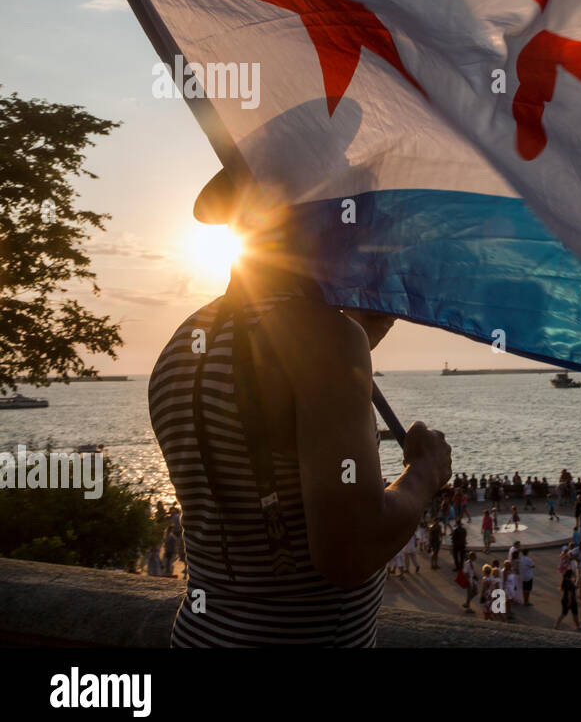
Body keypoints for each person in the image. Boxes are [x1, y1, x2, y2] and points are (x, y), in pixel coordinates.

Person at [148, 168, 451, 646]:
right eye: (353, 215)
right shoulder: (324, 340)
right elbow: (348, 551)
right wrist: (424, 474)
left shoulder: (182, 344)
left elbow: (258, 441)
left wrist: (353, 347)